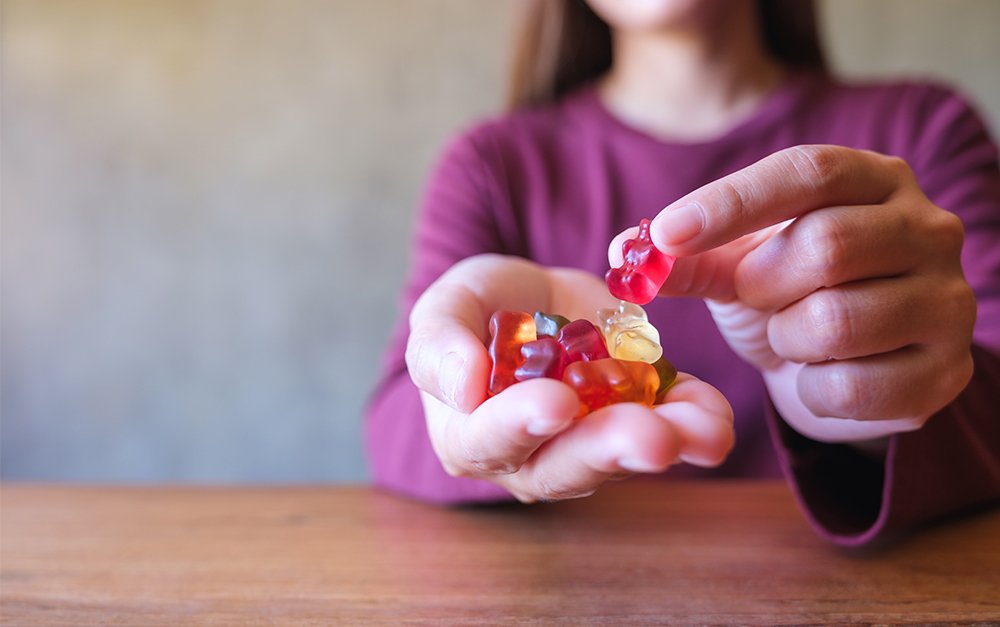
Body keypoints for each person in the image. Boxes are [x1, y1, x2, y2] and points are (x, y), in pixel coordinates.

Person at [365, 0, 1000, 546]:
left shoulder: (922, 130)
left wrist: (859, 402)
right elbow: (396, 420)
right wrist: (460, 396)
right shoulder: (493, 165)